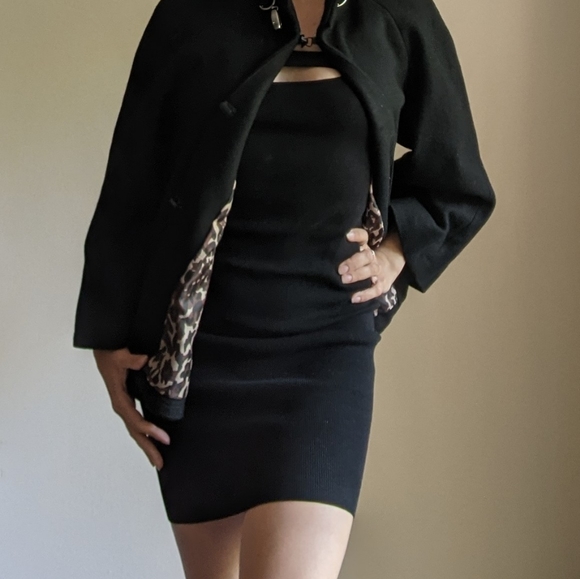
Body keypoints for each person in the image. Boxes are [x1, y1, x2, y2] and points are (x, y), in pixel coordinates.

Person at [73, 0, 496, 576]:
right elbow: (134, 178)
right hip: (199, 362)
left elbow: (457, 176)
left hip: (325, 355)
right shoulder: (189, 13)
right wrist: (107, 338)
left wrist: (394, 251)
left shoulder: (397, 15)